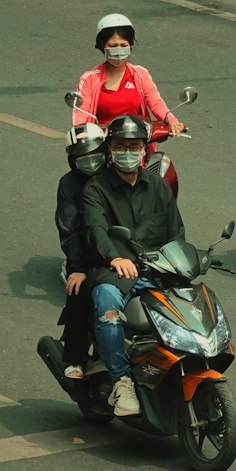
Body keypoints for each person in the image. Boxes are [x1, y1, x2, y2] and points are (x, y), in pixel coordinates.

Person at [82, 113, 185, 417]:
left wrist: (183, 261)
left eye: (134, 146)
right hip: (114, 272)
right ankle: (121, 380)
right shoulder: (95, 189)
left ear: (144, 150)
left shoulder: (158, 186)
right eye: (121, 146)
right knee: (106, 304)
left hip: (157, 269)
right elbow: (95, 231)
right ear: (109, 149)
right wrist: (115, 257)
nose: (127, 152)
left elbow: (175, 232)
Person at [73, 13, 185, 136]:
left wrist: (172, 121)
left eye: (123, 45)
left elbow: (155, 102)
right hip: (102, 145)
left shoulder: (140, 74)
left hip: (138, 144)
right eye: (113, 46)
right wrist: (79, 131)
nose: (119, 50)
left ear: (130, 46)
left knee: (160, 157)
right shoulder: (89, 79)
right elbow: (81, 111)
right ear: (102, 46)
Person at [54, 122, 108, 381]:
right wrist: (78, 268)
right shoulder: (69, 184)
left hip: (123, 252)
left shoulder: (116, 174)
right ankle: (75, 357)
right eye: (82, 158)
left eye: (94, 154)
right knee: (79, 291)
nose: (90, 162)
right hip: (86, 256)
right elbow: (69, 228)